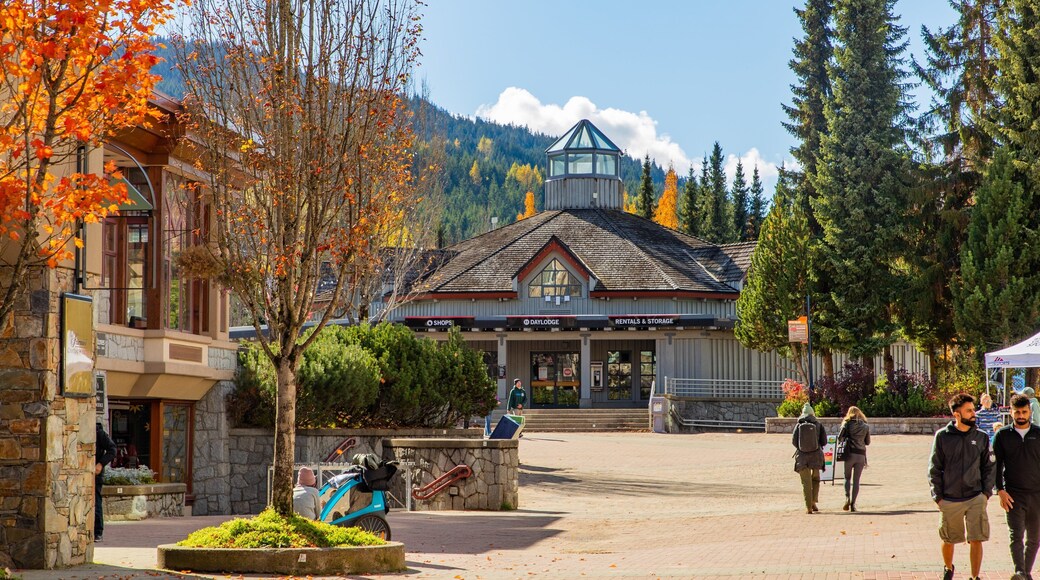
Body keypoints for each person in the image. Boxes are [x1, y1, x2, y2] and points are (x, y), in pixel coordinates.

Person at [929, 393, 995, 580]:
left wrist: (986, 493)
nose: (974, 413)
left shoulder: (981, 437)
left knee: (977, 539)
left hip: (975, 497)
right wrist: (938, 497)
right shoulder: (942, 437)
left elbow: (989, 466)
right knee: (949, 539)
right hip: (949, 499)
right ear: (957, 414)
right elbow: (934, 468)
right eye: (969, 410)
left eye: (973, 409)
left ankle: (975, 577)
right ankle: (948, 568)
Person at [994, 394, 1040, 580]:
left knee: (1034, 539)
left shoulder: (1038, 434)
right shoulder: (1002, 435)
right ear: (1011, 412)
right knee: (1016, 536)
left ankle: (1024, 573)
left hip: (1037, 495)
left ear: (1030, 411)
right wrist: (1000, 491)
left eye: (1024, 412)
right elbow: (995, 466)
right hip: (1013, 494)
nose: (1021, 415)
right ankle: (1020, 571)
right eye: (1017, 412)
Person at [792, 403, 827, 515]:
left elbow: (794, 441)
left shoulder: (798, 425)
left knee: (806, 482)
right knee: (815, 479)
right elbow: (824, 441)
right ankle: (813, 501)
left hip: (802, 457)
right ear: (812, 413)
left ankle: (808, 507)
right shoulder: (818, 424)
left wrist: (802, 448)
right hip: (816, 457)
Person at [837, 406, 870, 513]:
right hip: (860, 455)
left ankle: (847, 498)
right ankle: (853, 504)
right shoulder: (865, 426)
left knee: (847, 478)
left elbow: (839, 437)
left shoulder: (847, 424)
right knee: (856, 481)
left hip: (849, 453)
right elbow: (868, 442)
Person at [94, 422, 117, 542]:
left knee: (96, 501)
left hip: (95, 473)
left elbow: (112, 450)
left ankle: (97, 532)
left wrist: (100, 464)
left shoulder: (99, 433)